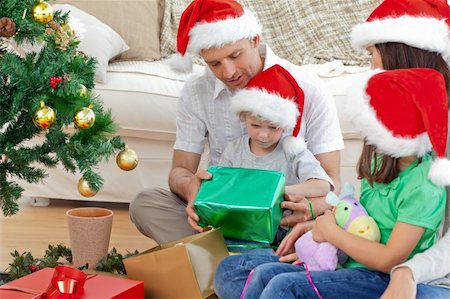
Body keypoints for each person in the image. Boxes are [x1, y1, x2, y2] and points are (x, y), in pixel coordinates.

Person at [214, 67, 450, 299]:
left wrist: (331, 233)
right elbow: (360, 216)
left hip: (380, 275)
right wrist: (319, 225)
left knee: (283, 287)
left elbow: (389, 259)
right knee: (243, 272)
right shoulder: (381, 163)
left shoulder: (424, 187)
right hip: (346, 258)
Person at [129, 0, 344, 244]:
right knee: (146, 204)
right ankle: (243, 257)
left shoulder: (309, 88)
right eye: (214, 63)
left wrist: (310, 209)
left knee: (331, 222)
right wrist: (191, 188)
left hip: (285, 218)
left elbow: (332, 184)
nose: (229, 72)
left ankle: (223, 258)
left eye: (234, 55)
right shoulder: (196, 92)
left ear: (254, 39)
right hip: (223, 216)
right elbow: (179, 172)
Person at [349, 0, 450, 297]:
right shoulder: (395, 124)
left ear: (399, 54)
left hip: (433, 275)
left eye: (372, 54)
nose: (370, 69)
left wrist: (409, 271)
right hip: (390, 266)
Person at [218, 64, 334, 247]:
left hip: (282, 230)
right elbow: (222, 189)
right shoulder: (234, 151)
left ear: (285, 125)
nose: (263, 135)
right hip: (242, 227)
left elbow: (323, 186)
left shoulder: (293, 151)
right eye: (255, 125)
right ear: (243, 118)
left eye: (273, 127)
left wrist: (278, 190)